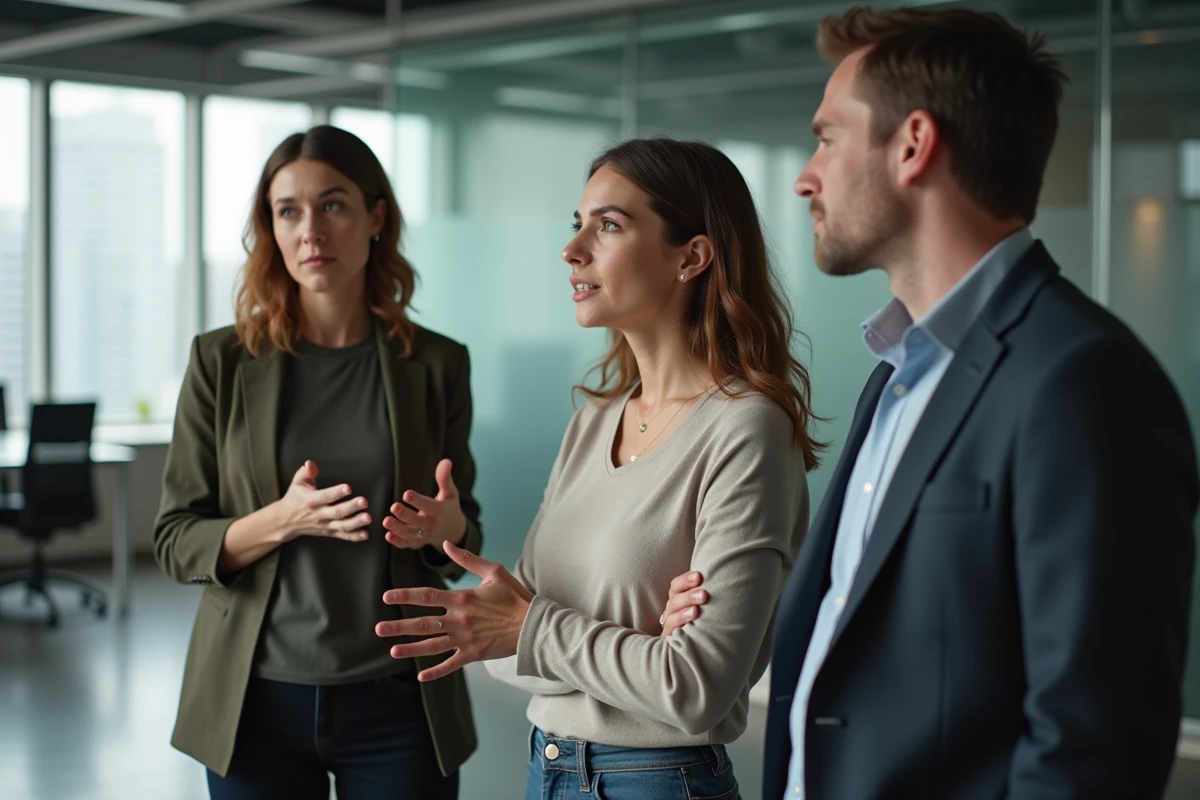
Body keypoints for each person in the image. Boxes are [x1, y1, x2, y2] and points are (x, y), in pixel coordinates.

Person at [664, 6, 1199, 799]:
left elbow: (1094, 748)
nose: (805, 175)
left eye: (829, 138)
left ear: (913, 145)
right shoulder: (899, 372)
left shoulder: (1082, 382)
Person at [373, 137, 822, 799]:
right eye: (577, 224)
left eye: (609, 225)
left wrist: (535, 626)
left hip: (658, 781)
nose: (573, 249)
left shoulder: (746, 427)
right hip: (545, 768)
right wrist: (625, 645)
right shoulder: (593, 422)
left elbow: (693, 689)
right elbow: (501, 651)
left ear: (692, 256)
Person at [153, 125, 482, 800]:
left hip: (401, 697)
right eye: (288, 211)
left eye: (333, 205)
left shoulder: (439, 363)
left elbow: (458, 543)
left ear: (375, 217)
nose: (311, 231)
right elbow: (174, 538)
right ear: (270, 228)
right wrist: (279, 520)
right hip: (252, 700)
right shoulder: (221, 361)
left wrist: (448, 527)